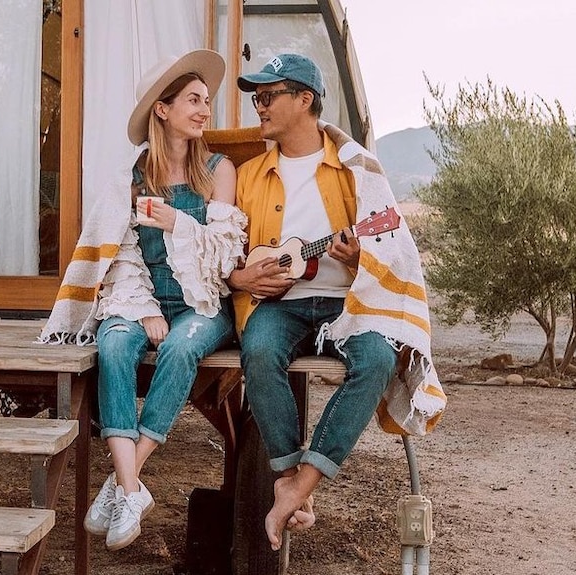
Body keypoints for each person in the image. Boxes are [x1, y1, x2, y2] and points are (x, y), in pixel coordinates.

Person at [226, 54, 446, 551]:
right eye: (255, 97)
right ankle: (286, 473)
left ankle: (302, 484)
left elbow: (390, 251)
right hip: (281, 304)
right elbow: (226, 255)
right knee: (258, 351)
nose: (257, 106)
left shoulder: (354, 170)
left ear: (305, 100)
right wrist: (244, 277)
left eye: (267, 96)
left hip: (346, 302)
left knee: (375, 359)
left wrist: (354, 261)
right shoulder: (250, 175)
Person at [38, 49, 247, 551]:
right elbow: (122, 255)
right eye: (194, 100)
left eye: (206, 101)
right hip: (143, 301)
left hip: (203, 306)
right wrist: (145, 309)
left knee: (180, 347)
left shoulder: (219, 170)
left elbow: (225, 257)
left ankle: (123, 481)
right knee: (112, 344)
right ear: (163, 109)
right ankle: (132, 490)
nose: (204, 110)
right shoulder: (131, 178)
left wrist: (177, 221)